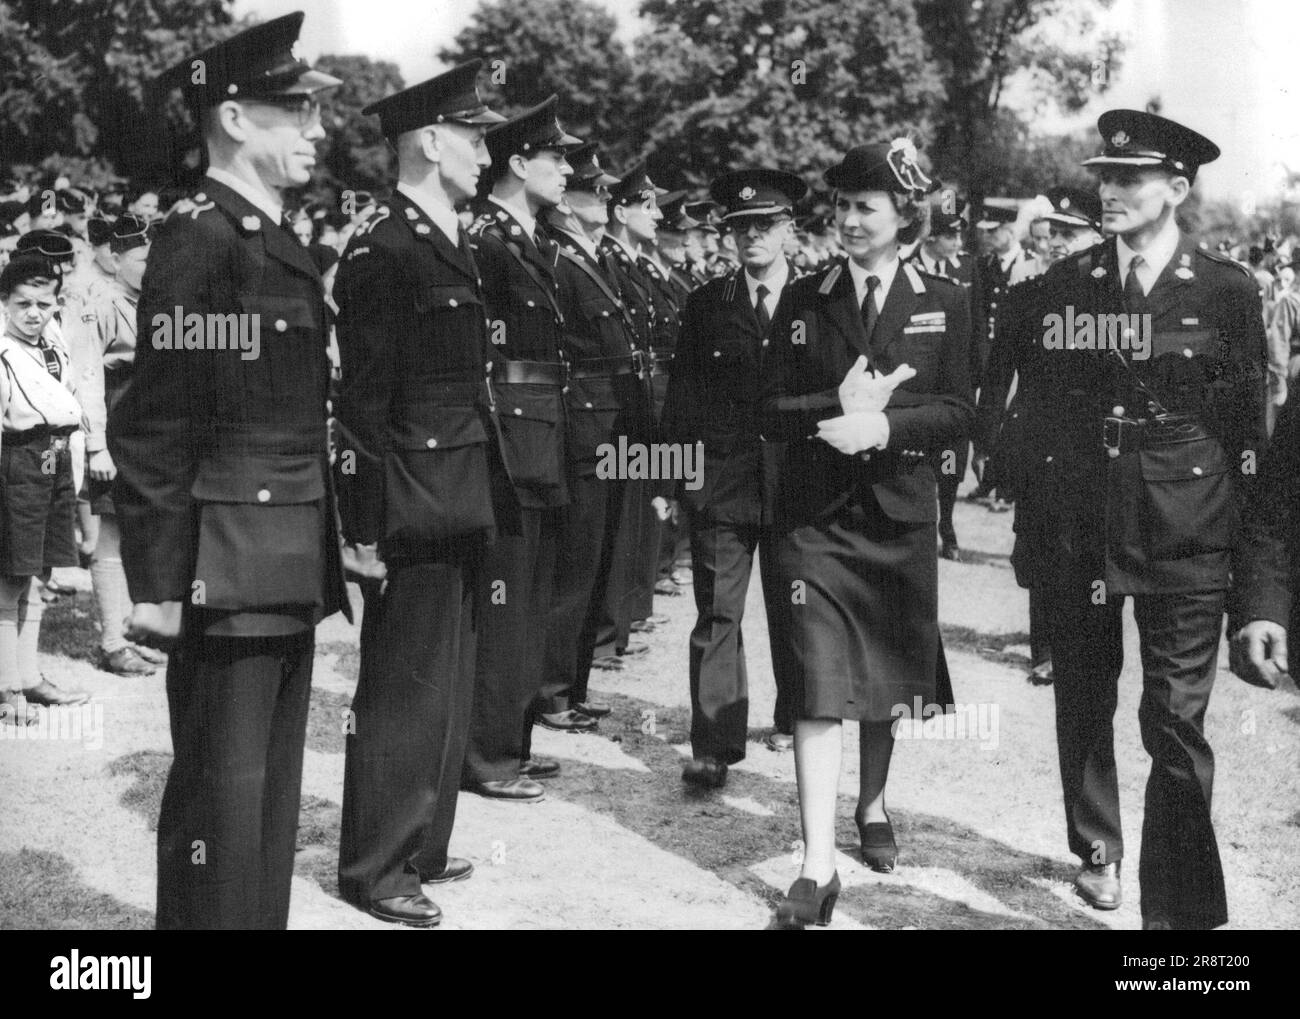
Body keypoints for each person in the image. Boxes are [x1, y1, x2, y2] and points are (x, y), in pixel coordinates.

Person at [109, 12, 349, 930]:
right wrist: (159, 585)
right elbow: (155, 425)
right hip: (223, 564)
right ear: (237, 119)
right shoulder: (201, 239)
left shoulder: (271, 238)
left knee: (267, 810)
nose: (318, 130)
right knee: (221, 800)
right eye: (296, 111)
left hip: (281, 553)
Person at [1017, 110, 1266, 929]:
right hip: (1083, 519)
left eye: (1130, 178)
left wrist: (1258, 581)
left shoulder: (1228, 291)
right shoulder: (1064, 286)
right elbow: (1042, 420)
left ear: (1179, 189)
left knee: (1175, 718)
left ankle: (1178, 916)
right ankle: (1098, 844)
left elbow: (1248, 440)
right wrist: (1029, 529)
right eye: (1104, 177)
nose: (1110, 191)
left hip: (1189, 522)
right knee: (1085, 691)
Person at [762, 140, 972, 928]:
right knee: (817, 679)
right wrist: (828, 406)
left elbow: (963, 409)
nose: (848, 220)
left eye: (865, 207)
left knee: (883, 676)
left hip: (898, 514)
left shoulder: (946, 298)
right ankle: (816, 866)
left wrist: (882, 425)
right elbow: (764, 409)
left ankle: (872, 804)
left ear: (903, 216)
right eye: (841, 206)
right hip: (812, 520)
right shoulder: (806, 296)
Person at [333, 61, 505, 924]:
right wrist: (360, 530)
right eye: (474, 136)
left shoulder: (447, 232)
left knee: (448, 678)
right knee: (402, 687)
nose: (486, 150)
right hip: (408, 499)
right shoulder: (384, 245)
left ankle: (423, 842)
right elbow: (360, 403)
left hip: (459, 486)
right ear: (432, 142)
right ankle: (375, 865)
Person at [660, 168, 806, 786]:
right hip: (722, 485)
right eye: (741, 227)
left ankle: (798, 719)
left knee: (798, 612)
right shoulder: (706, 304)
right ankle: (714, 745)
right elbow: (682, 400)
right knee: (718, 615)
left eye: (765, 226)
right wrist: (670, 482)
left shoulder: (819, 299)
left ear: (789, 231)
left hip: (802, 486)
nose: (752, 238)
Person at [464, 96, 586, 786]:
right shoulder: (487, 238)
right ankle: (487, 753)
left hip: (541, 431)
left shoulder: (530, 236)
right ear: (518, 162)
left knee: (531, 595)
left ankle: (509, 735)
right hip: (509, 439)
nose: (566, 168)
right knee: (505, 596)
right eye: (556, 156)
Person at [536, 142, 652, 755]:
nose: (603, 200)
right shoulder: (557, 256)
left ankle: (572, 683)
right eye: (594, 190)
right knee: (574, 567)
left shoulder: (591, 256)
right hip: (584, 428)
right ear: (568, 202)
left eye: (607, 191)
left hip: (610, 428)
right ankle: (552, 690)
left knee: (598, 558)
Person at [975, 185, 1103, 685]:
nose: (1059, 243)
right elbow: (996, 375)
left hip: (1095, 446)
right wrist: (987, 441)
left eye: (1074, 234)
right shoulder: (1025, 297)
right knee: (1038, 546)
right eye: (1056, 233)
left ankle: (1081, 643)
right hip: (1037, 442)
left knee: (1087, 547)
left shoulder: (1117, 301)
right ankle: (1045, 648)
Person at [0, 255, 91, 723]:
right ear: (5, 303)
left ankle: (29, 675)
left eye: (43, 303)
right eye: (22, 304)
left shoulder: (53, 347)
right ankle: (6, 687)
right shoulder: (4, 351)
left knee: (35, 570)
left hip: (53, 459)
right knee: (10, 575)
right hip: (17, 458)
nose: (33, 312)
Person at [81, 215, 165, 676]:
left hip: (149, 431)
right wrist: (96, 445)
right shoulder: (102, 305)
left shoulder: (155, 303)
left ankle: (134, 632)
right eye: (141, 258)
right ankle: (113, 641)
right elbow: (89, 377)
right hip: (115, 427)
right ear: (115, 259)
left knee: (142, 533)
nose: (151, 266)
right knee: (111, 536)